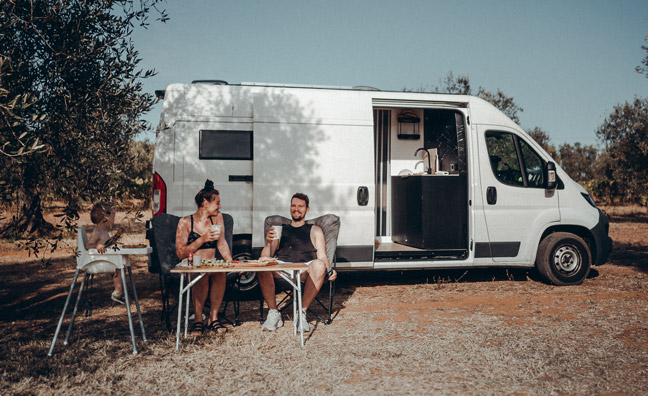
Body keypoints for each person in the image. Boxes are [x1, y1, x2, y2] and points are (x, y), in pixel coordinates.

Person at [258, 192, 337, 332]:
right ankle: (273, 313)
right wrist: (269, 242)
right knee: (262, 261)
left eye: (300, 206)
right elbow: (267, 255)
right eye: (293, 205)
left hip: (305, 269)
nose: (296, 209)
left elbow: (323, 256)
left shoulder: (315, 230)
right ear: (290, 208)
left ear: (307, 209)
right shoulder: (280, 229)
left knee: (319, 264)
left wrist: (330, 269)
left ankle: (302, 313)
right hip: (283, 267)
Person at [175, 179, 232, 335]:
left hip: (212, 262)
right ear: (205, 203)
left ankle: (213, 318)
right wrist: (203, 239)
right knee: (202, 275)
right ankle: (198, 319)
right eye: (217, 203)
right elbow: (180, 253)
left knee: (220, 274)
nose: (220, 206)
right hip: (193, 264)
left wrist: (231, 262)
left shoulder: (217, 218)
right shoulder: (185, 222)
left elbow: (222, 243)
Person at [85, 202, 127, 304]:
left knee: (122, 265)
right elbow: (88, 245)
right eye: (113, 216)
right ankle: (118, 293)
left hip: (106, 259)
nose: (114, 219)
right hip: (100, 261)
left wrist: (117, 235)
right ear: (105, 217)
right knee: (119, 266)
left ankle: (119, 292)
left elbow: (108, 244)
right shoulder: (97, 232)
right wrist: (96, 245)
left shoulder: (103, 231)